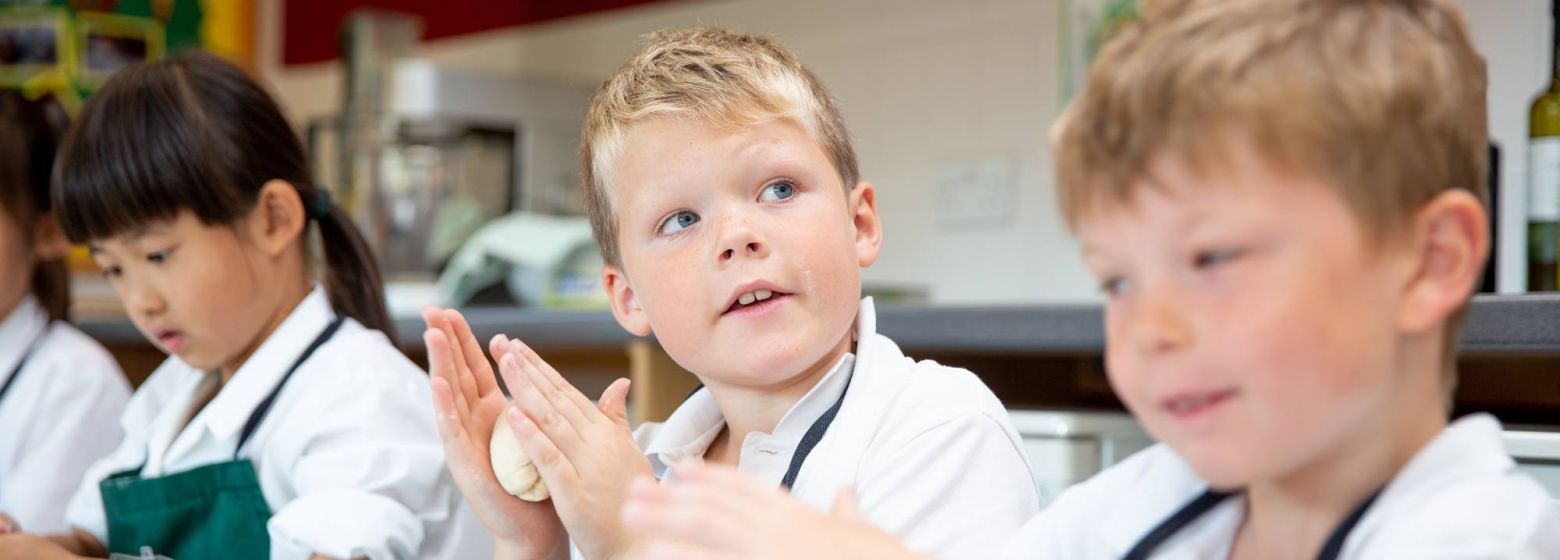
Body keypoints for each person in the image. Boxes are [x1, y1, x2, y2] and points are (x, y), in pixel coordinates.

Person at [614, 1, 1560, 558]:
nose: (1147, 330)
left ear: (1427, 261)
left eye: (1213, 260)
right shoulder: (1150, 502)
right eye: (1117, 284)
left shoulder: (1480, 536)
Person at [423, 27, 1040, 560]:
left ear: (860, 226)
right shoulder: (639, 468)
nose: (737, 237)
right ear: (628, 298)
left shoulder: (937, 431)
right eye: (681, 220)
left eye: (778, 189)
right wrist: (532, 544)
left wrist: (635, 546)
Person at [0, 52, 471, 560]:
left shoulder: (363, 398)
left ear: (273, 219)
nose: (141, 302)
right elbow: (92, 539)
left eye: (158, 254)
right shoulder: (175, 391)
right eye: (114, 268)